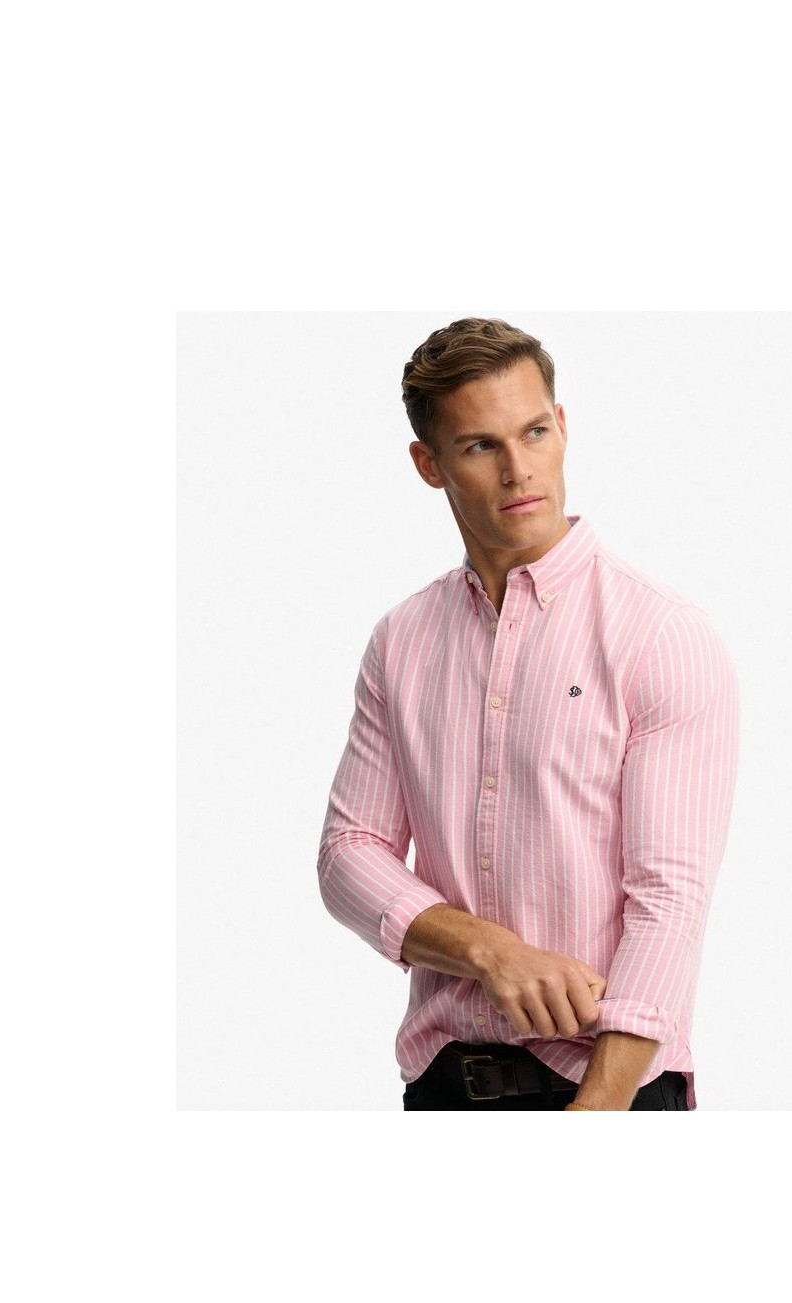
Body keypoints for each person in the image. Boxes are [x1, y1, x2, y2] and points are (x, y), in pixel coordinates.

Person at [317, 317, 739, 1110]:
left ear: (562, 426)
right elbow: (348, 854)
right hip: (443, 1090)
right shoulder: (401, 640)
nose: (519, 470)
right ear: (429, 464)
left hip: (607, 1089)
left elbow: (670, 899)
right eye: (481, 445)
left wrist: (598, 1109)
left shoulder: (660, 635)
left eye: (534, 432)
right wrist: (489, 951)